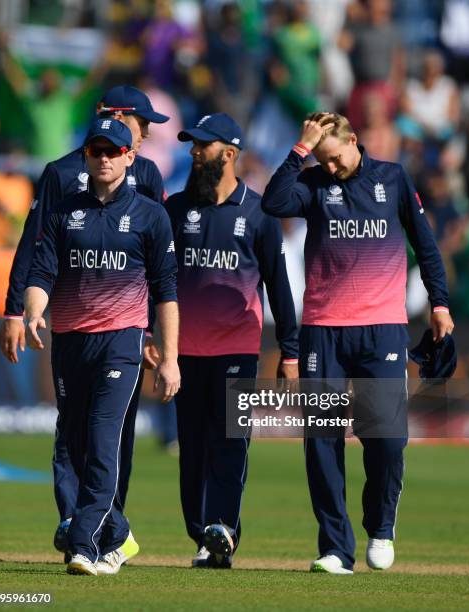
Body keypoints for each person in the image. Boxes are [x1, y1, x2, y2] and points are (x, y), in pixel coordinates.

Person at [261, 112, 454, 573]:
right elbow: (273, 202)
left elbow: (425, 245)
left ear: (354, 141)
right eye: (321, 161)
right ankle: (334, 547)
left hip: (382, 328)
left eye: (335, 158)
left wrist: (440, 304)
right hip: (323, 330)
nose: (330, 168)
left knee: (387, 439)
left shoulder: (392, 177)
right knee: (323, 440)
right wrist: (300, 151)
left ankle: (381, 525)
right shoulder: (310, 182)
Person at [0, 85, 170, 562]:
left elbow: (155, 263)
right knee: (72, 431)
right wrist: (18, 310)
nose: (148, 132)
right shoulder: (59, 174)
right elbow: (34, 246)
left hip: (126, 329)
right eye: (143, 122)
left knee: (113, 433)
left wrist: (154, 329)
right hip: (72, 326)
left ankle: (98, 521)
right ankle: (85, 519)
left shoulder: (149, 173)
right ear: (114, 116)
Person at [164, 113, 299, 568]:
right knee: (192, 452)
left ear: (229, 153)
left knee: (229, 443)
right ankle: (202, 532)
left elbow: (278, 286)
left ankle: (221, 530)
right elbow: (156, 283)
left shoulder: (259, 214)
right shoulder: (175, 210)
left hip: (238, 351)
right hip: (184, 353)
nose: (193, 151)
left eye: (202, 145)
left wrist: (291, 350)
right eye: (191, 145)